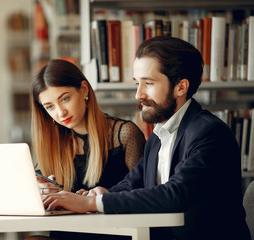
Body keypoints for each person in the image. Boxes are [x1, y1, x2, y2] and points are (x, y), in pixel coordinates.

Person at [41, 36, 251, 240]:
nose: (138, 95)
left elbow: (174, 194)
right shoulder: (158, 137)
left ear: (181, 87)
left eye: (148, 83)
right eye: (137, 84)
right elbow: (134, 182)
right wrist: (97, 194)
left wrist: (91, 204)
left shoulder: (209, 133)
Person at [29, 59, 146, 240]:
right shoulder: (54, 143)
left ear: (84, 90)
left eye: (65, 99)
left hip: (114, 232)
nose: (61, 113)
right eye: (50, 107)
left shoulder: (123, 134)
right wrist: (41, 190)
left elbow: (142, 195)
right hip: (67, 233)